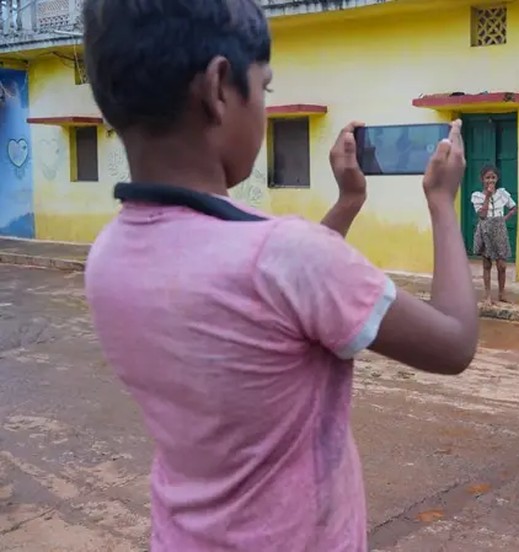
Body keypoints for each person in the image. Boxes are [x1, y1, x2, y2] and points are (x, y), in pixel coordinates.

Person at [80, 1, 478, 550]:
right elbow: (454, 343)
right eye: (264, 88)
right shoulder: (287, 255)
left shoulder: (107, 257)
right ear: (218, 88)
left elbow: (273, 298)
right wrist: (441, 202)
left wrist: (347, 204)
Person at [470, 165, 517, 304]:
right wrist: (488, 196)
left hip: (499, 230)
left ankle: (502, 293)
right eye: (487, 178)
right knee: (487, 264)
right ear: (482, 179)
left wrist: (503, 219)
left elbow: (514, 208)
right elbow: (482, 215)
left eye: (493, 177)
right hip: (485, 229)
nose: (490, 180)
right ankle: (487, 295)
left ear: (497, 179)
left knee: (502, 265)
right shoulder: (477, 196)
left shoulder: (502, 194)